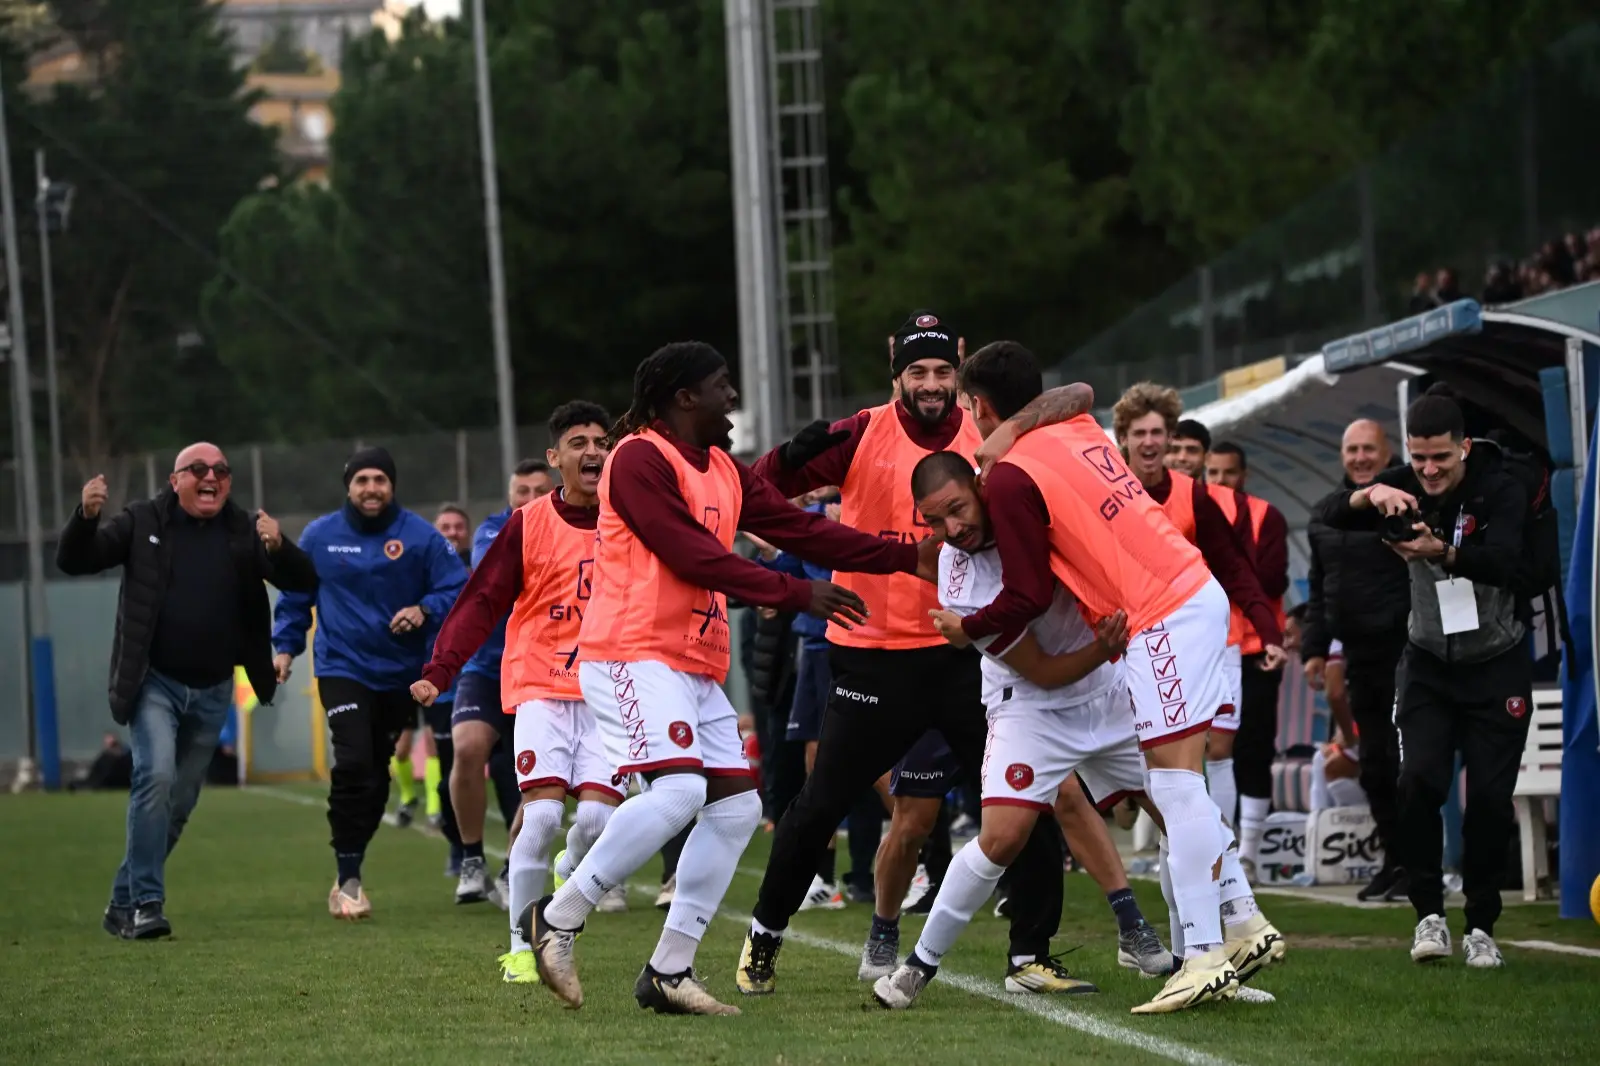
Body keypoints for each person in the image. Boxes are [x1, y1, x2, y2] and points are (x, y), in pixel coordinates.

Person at [520, 342, 938, 1016]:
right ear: (684, 396)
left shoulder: (721, 467)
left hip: (687, 662)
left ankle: (670, 970)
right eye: (721, 385)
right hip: (628, 651)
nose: (732, 397)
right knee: (681, 789)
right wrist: (794, 594)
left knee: (740, 806)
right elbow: (686, 550)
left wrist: (902, 556)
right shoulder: (638, 457)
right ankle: (560, 915)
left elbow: (801, 528)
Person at [740, 312, 1092, 998]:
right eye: (917, 373)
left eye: (941, 374)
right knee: (818, 807)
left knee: (1026, 794)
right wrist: (785, 459)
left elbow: (1068, 417)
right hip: (874, 657)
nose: (931, 386)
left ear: (958, 372)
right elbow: (754, 497)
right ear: (895, 373)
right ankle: (763, 938)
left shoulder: (987, 432)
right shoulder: (861, 431)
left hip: (970, 653)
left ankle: (1031, 955)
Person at [950, 342, 1286, 1014]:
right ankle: (1243, 926)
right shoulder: (1073, 423)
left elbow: (1026, 592)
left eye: (970, 409)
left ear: (983, 407)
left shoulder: (1013, 475)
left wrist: (968, 627)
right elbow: (1076, 388)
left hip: (1161, 613)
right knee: (1176, 783)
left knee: (1173, 785)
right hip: (1185, 599)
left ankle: (1201, 954)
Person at [872, 453, 1174, 1009]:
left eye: (957, 509)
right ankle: (917, 966)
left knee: (1182, 812)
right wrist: (1104, 646)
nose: (951, 530)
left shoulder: (1038, 512)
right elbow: (1041, 669)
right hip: (1030, 705)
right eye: (934, 521)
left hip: (1108, 694)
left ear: (981, 489)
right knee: (1001, 838)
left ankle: (1204, 956)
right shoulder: (956, 577)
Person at [57, 443, 318, 939]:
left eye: (221, 471)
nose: (211, 478)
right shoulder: (140, 521)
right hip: (155, 682)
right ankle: (148, 905)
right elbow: (76, 560)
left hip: (216, 689)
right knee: (153, 778)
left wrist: (281, 546)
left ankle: (121, 902)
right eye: (198, 470)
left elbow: (304, 581)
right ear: (175, 480)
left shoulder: (244, 530)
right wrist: (85, 518)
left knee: (177, 804)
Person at [1311, 388, 1531, 969]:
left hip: (1497, 658)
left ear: (1463, 447)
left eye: (1441, 459)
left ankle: (1481, 923)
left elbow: (1511, 562)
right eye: (1419, 459)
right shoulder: (1400, 484)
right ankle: (1428, 914)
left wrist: (1444, 553)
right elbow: (1326, 515)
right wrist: (1367, 494)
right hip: (1429, 660)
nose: (1429, 471)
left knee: (1487, 797)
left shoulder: (1499, 488)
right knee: (1419, 783)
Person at [416, 402, 624, 983]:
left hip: (608, 691)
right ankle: (519, 950)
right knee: (539, 819)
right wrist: (442, 666)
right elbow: (481, 599)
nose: (592, 451)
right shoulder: (527, 524)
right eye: (578, 442)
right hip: (541, 689)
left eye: (600, 441)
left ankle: (569, 871)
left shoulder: (629, 517)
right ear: (556, 458)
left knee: (597, 827)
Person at [272, 446, 468, 919]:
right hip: (342, 667)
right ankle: (348, 876)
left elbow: (458, 586)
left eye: (380, 479)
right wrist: (284, 646)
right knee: (355, 758)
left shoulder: (420, 537)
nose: (371, 488)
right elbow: (298, 594)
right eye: (362, 480)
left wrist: (423, 609)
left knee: (376, 772)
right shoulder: (320, 536)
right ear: (348, 487)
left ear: (392, 485)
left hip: (400, 675)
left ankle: (350, 870)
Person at [1112, 385, 1285, 847]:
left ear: (1169, 438)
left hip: (1199, 644)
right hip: (1132, 644)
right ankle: (1133, 796)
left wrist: (1268, 630)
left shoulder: (1195, 497)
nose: (1150, 441)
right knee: (1156, 761)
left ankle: (1223, 851)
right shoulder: (1106, 495)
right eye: (1139, 432)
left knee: (1212, 752)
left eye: (1158, 432)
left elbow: (1235, 569)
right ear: (1123, 438)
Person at [1302, 418, 1413, 901]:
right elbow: (1320, 588)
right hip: (1360, 656)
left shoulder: (1407, 503)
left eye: (1370, 448)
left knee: (1412, 762)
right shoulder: (1325, 515)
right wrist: (1312, 650)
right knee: (1373, 764)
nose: (1361, 457)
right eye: (1353, 449)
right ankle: (1396, 859)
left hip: (1407, 653)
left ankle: (1421, 862)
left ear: (1388, 453)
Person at [446, 465, 554, 906]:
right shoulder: (495, 531)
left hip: (543, 670)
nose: (528, 497)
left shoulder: (579, 526)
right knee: (468, 747)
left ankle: (513, 865)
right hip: (488, 667)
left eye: (539, 491)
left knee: (541, 781)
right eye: (521, 490)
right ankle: (472, 858)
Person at [1203, 441, 1291, 878]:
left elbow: (1272, 579)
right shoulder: (1196, 513)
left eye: (1228, 473)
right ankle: (1220, 846)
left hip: (1256, 648)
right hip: (1214, 645)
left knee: (1254, 747)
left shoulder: (1264, 516)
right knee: (1214, 749)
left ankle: (1249, 851)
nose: (1220, 482)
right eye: (1212, 473)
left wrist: (1230, 558)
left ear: (1244, 475)